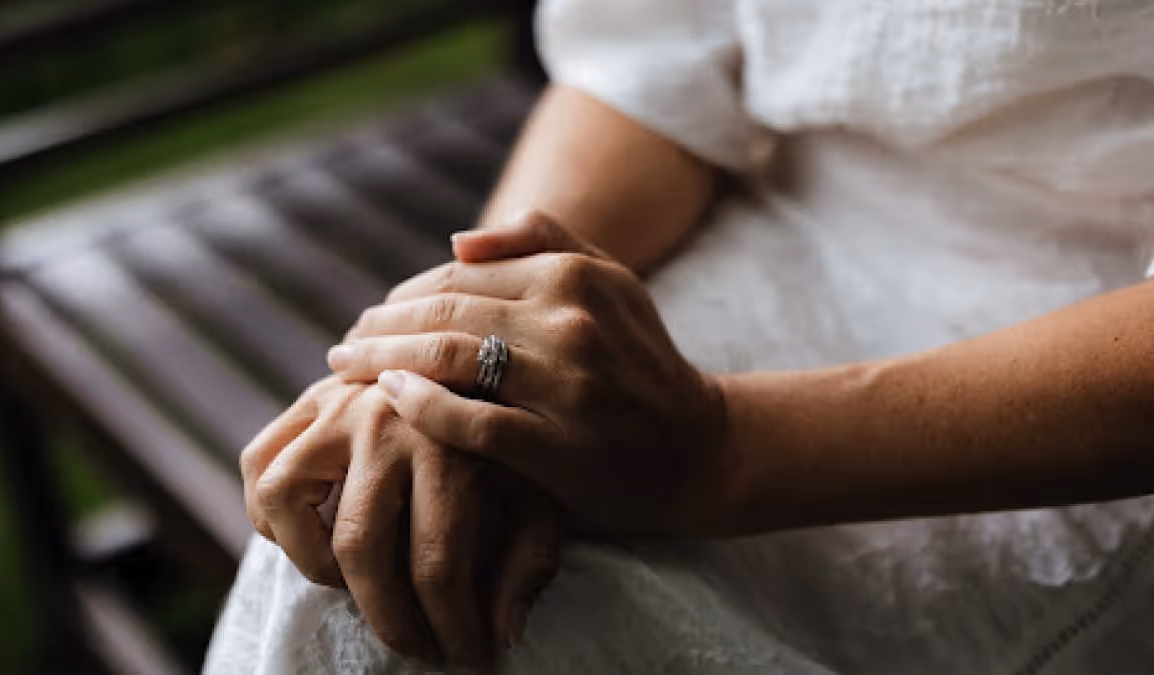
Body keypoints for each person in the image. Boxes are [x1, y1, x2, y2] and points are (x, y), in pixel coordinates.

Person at [204, 0, 1154, 673]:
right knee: (379, 527)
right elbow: (649, 60)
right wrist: (473, 340)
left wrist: (723, 451)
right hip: (768, 223)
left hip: (1071, 396)